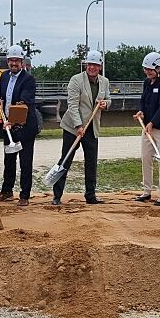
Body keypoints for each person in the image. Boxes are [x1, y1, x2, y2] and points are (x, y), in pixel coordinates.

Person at [52, 50, 111, 205]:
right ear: (86, 65)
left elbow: (108, 99)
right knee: (65, 160)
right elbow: (72, 105)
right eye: (90, 64)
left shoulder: (104, 82)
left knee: (91, 163)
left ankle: (90, 196)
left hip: (92, 128)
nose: (92, 67)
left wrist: (106, 104)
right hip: (73, 127)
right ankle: (57, 196)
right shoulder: (76, 80)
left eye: (95, 65)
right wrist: (78, 125)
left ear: (100, 66)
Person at [0, 44, 38, 207]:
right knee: (9, 160)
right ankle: (7, 191)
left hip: (24, 127)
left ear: (22, 62)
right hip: (8, 126)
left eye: (16, 61)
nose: (13, 64)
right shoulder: (4, 76)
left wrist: (11, 121)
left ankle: (24, 195)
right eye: (11, 60)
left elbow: (24, 103)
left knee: (25, 162)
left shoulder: (28, 80)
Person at [133, 52, 160, 206]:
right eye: (146, 69)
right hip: (147, 128)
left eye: (150, 69)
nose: (148, 72)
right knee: (146, 158)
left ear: (158, 68)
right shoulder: (146, 83)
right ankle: (146, 191)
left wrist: (153, 122)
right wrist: (141, 112)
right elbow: (143, 101)